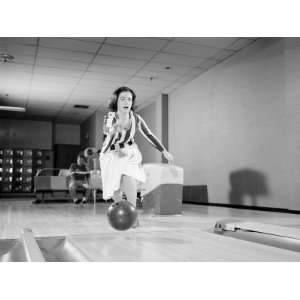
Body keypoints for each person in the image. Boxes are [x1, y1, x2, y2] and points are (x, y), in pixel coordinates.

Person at [100, 86, 174, 227]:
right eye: (122, 99)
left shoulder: (136, 118)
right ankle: (120, 213)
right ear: (116, 101)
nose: (126, 102)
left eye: (129, 99)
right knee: (115, 186)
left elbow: (149, 134)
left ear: (132, 102)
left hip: (129, 150)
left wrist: (163, 150)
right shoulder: (109, 117)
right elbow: (107, 134)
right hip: (110, 152)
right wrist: (114, 129)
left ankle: (132, 214)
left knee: (129, 176)